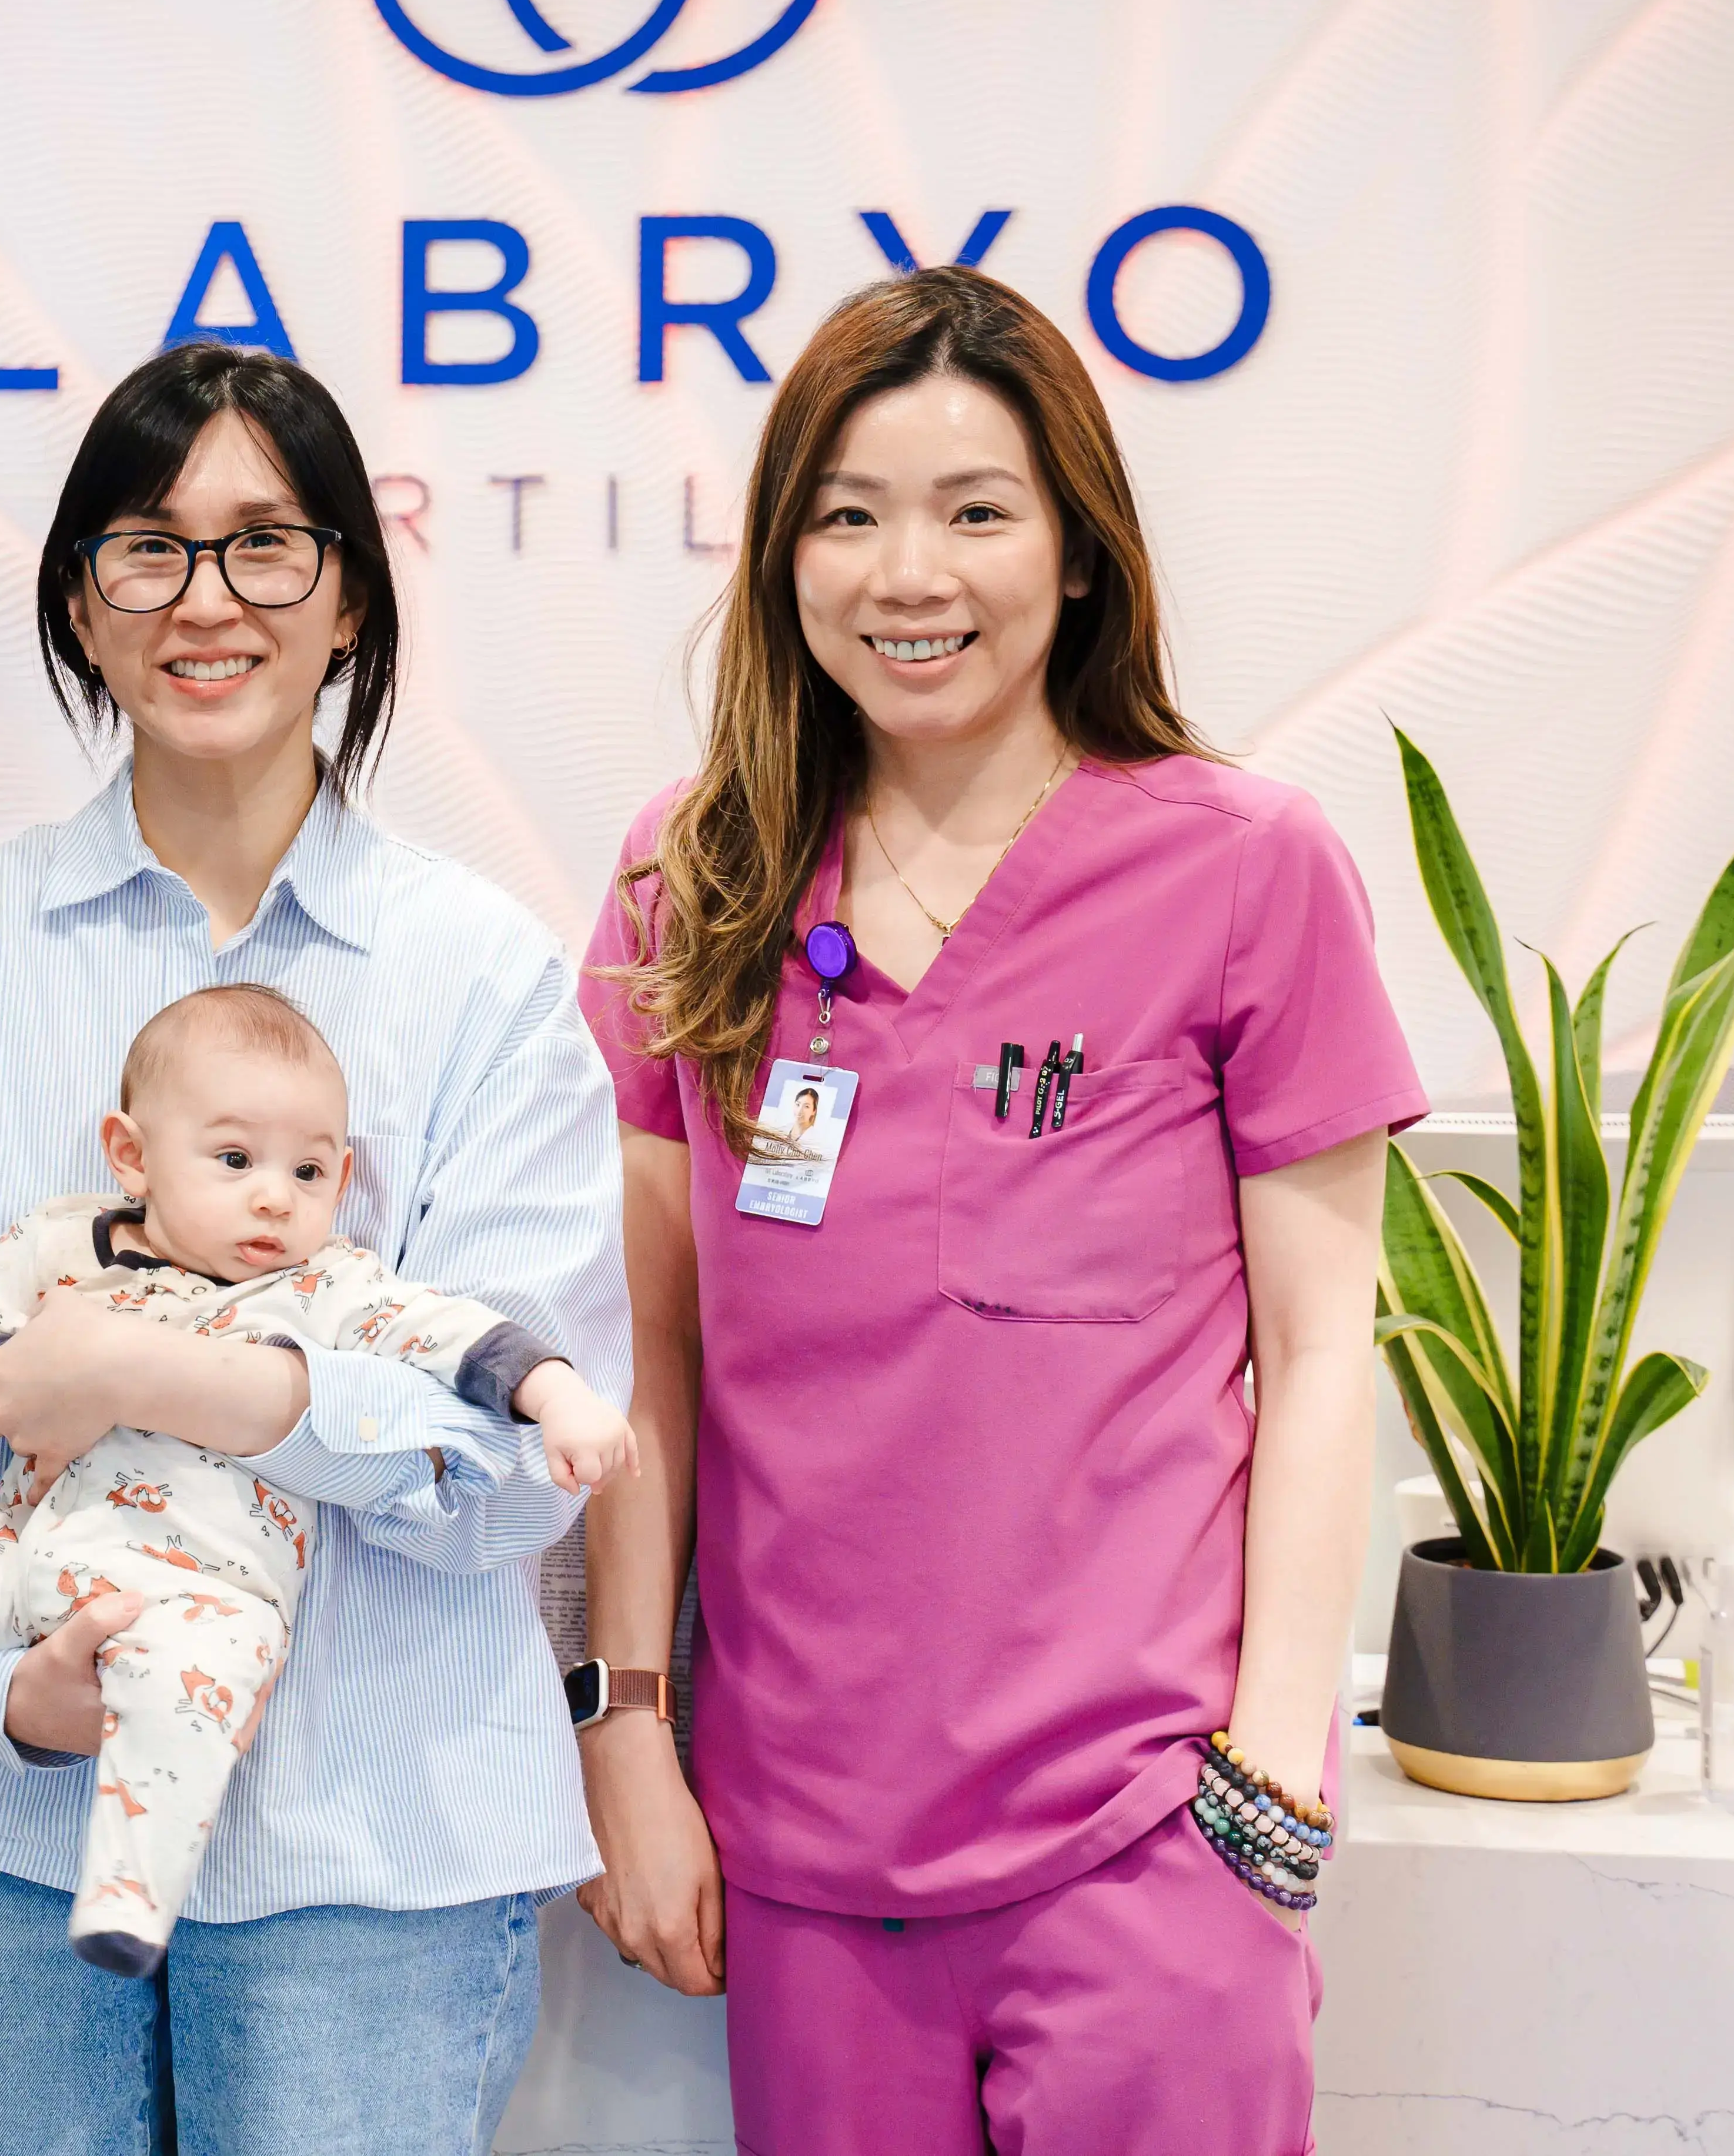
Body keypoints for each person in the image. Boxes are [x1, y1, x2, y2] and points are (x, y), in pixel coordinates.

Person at [573, 267, 1426, 2155]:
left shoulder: (1242, 868)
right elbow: (647, 1344)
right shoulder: (690, 870)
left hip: (1139, 1846)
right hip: (803, 1862)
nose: (910, 574)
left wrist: (1271, 1773)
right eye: (850, 514)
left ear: (1079, 550)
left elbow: (1319, 1348)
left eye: (978, 511)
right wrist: (627, 1721)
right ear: (786, 554)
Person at [0, 340, 628, 2155]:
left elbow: (513, 1473)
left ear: (349, 602)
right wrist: (6, 1699)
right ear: (80, 608)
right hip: (10, 1850)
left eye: (267, 547)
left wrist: (165, 1377)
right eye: (146, 550)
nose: (206, 600)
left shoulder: (478, 974)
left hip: (373, 1860)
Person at [0, 981, 632, 1976]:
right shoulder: (60, 1241)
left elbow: (458, 1337)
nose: (275, 1195)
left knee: (189, 1701)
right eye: (234, 1160)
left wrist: (560, 1398)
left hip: (206, 1590)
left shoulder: (324, 1284)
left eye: (309, 1170)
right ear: (132, 1155)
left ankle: (131, 1895)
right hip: (28, 1542)